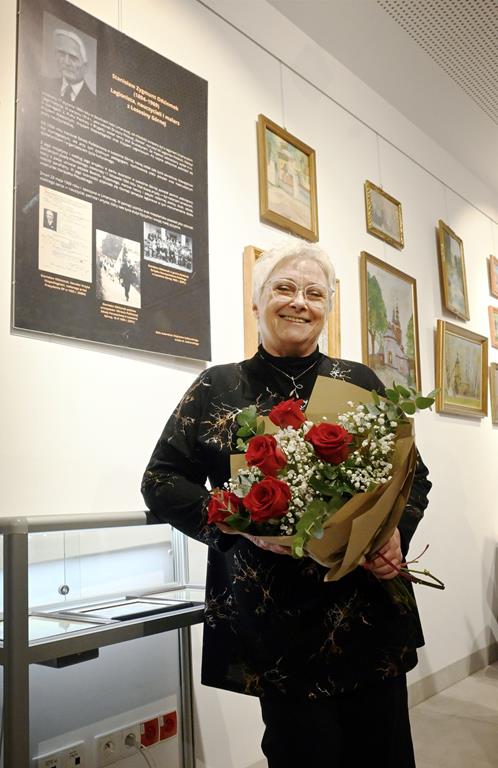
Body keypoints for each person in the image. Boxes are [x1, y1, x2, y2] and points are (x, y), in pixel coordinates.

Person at [142, 239, 431, 767]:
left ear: (327, 308)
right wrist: (235, 522)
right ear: (256, 301)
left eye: (315, 293)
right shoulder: (217, 387)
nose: (300, 301)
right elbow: (161, 481)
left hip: (365, 607)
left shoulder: (359, 381)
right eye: (284, 288)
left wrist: (393, 532)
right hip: (276, 620)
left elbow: (412, 476)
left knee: (384, 751)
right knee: (301, 752)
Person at [42, 28, 96, 110]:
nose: (66, 62)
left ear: (85, 67)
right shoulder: (44, 84)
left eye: (73, 57)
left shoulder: (95, 103)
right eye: (62, 54)